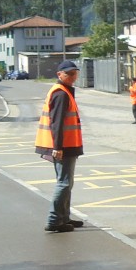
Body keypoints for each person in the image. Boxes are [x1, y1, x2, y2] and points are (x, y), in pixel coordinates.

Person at [35, 60, 85, 233]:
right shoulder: (61, 93)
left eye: (74, 73)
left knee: (66, 182)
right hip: (63, 146)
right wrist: (58, 147)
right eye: (69, 73)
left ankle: (64, 217)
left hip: (66, 145)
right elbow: (56, 123)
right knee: (64, 183)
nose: (72, 76)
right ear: (59, 75)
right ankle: (55, 220)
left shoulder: (64, 91)